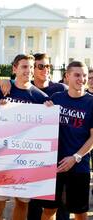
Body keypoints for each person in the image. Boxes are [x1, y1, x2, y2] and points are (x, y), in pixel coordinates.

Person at [0, 54, 49, 220]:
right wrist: (0, 84)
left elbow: (45, 129)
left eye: (31, 67)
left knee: (22, 203)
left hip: (25, 159)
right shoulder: (3, 89)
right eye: (24, 67)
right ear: (14, 69)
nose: (28, 71)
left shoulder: (40, 98)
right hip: (1, 158)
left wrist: (49, 111)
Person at [41, 61, 93, 220]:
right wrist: (46, 112)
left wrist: (75, 157)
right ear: (67, 76)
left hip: (79, 166)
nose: (82, 79)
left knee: (79, 213)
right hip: (54, 165)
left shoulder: (91, 102)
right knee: (49, 211)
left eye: (84, 75)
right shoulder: (56, 98)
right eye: (77, 75)